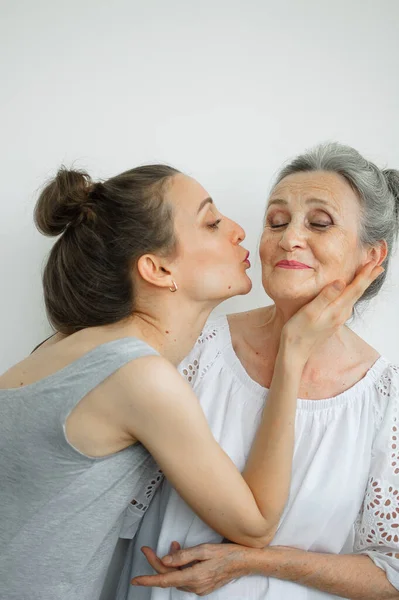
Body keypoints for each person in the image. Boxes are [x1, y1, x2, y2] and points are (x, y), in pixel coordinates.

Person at [0, 163, 374, 600]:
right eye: (212, 222)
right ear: (157, 270)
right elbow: (256, 524)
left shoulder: (64, 345)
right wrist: (292, 353)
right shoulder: (138, 375)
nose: (238, 230)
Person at [124, 143, 399, 600]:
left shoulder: (386, 397)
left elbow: (392, 571)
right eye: (276, 221)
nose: (290, 238)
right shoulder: (196, 348)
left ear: (371, 257)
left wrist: (252, 561)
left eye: (319, 223)